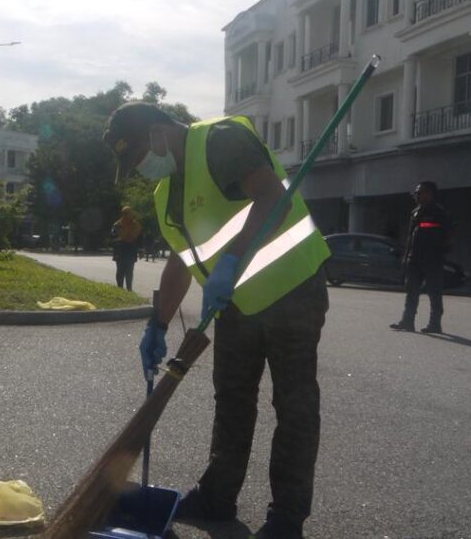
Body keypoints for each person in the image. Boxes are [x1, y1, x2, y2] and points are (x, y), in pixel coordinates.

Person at [103, 102, 330, 539]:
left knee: (294, 404)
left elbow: (273, 198)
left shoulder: (220, 140)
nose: (142, 169)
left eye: (140, 157)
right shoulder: (167, 193)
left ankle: (287, 517)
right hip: (237, 302)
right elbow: (180, 261)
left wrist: (229, 261)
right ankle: (217, 496)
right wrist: (157, 324)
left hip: (293, 290)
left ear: (158, 132)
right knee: (232, 398)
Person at [390, 181, 453, 333]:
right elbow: (410, 237)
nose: (418, 195)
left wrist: (441, 252)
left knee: (434, 293)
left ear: (430, 194)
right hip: (414, 259)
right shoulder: (415, 212)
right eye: (417, 193)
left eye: (421, 192)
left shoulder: (439, 213)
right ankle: (407, 321)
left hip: (432, 259)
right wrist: (406, 256)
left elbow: (448, 236)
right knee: (411, 291)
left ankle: (434, 324)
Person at [111, 206, 142, 290]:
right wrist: (120, 236)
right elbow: (113, 236)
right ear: (123, 214)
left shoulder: (136, 224)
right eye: (126, 213)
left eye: (130, 213)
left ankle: (129, 289)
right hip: (120, 249)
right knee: (120, 270)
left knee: (129, 271)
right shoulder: (117, 224)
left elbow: (139, 238)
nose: (129, 215)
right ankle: (120, 288)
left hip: (131, 249)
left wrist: (141, 249)